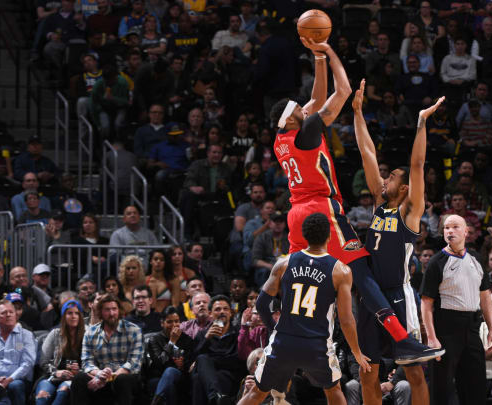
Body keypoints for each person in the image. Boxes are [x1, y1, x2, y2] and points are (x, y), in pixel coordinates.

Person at [270, 36, 435, 363]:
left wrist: (317, 59)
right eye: (298, 109)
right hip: (321, 209)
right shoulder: (306, 132)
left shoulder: (282, 138)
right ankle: (403, 339)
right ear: (292, 119)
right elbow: (341, 91)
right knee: (361, 273)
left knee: (300, 274)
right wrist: (329, 51)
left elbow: (315, 99)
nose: (305, 107)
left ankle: (287, 337)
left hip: (295, 213)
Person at [352, 79, 445, 405]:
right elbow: (367, 151)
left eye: (392, 177)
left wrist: (421, 122)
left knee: (414, 373)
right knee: (368, 372)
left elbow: (417, 165)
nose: (385, 178)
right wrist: (357, 113)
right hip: (368, 298)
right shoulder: (380, 204)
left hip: (397, 298)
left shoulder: (409, 213)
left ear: (404, 189)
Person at [238, 213, 371, 405]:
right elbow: (346, 318)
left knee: (257, 393)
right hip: (316, 345)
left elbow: (261, 303)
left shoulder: (284, 263)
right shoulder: (340, 271)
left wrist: (273, 328)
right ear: (329, 236)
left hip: (284, 341)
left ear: (304, 236)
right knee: (333, 390)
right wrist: (356, 352)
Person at [420, 214, 492, 405]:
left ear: (466, 232)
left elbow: (485, 296)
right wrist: (431, 337)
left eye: (455, 227)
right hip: (445, 328)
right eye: (446, 228)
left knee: (475, 386)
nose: (450, 231)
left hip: (472, 327)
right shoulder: (437, 262)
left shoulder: (476, 259)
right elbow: (426, 303)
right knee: (441, 389)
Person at [70, 294, 144, 405]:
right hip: (100, 377)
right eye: (107, 310)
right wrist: (99, 374)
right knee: (79, 378)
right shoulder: (90, 333)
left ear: (119, 310)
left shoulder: (134, 330)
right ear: (100, 312)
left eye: (114, 309)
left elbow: (133, 363)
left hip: (125, 378)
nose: (111, 313)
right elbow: (87, 362)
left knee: (123, 379)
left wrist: (108, 378)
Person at [0, 300, 37, 405]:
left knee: (15, 385)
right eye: (4, 313)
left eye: (11, 312)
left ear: (16, 315)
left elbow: (28, 363)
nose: (8, 315)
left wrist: (9, 379)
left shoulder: (26, 335)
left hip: (19, 380)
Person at [190, 295, 245, 404]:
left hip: (229, 375)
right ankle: (216, 397)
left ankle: (215, 395)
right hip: (210, 376)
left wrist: (211, 361)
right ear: (210, 313)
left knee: (202, 374)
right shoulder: (202, 335)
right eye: (217, 309)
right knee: (198, 374)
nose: (222, 312)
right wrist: (206, 339)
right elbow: (193, 360)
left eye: (225, 309)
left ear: (231, 313)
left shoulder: (238, 333)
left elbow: (236, 360)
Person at [36, 300, 85, 405]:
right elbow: (43, 362)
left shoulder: (86, 336)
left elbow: (91, 362)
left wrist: (79, 371)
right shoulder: (54, 334)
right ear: (63, 317)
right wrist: (56, 372)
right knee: (42, 395)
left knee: (63, 392)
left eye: (77, 313)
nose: (73, 316)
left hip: (74, 378)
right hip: (52, 376)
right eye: (69, 313)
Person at [146, 306, 195, 405]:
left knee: (171, 372)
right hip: (161, 374)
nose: (174, 325)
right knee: (169, 374)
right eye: (169, 322)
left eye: (176, 321)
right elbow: (159, 363)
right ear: (162, 323)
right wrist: (171, 342)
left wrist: (183, 365)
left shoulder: (186, 339)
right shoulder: (154, 340)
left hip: (181, 376)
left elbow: (191, 362)